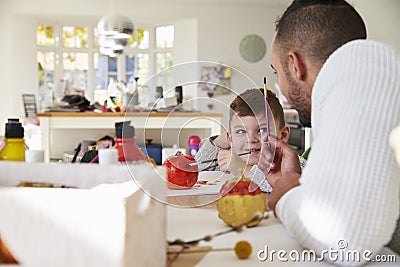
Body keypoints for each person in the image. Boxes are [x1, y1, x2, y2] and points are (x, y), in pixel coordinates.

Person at [258, 0, 400, 263]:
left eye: (276, 72)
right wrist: (299, 182)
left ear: (294, 65)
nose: (283, 92)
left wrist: (287, 196)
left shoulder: (368, 68)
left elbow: (348, 240)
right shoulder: (355, 96)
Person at [195, 88, 305, 192]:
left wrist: (243, 169)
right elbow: (197, 168)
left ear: (284, 134)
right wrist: (219, 142)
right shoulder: (231, 161)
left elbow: (292, 186)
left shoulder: (292, 163)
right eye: (242, 132)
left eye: (262, 130)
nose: (251, 139)